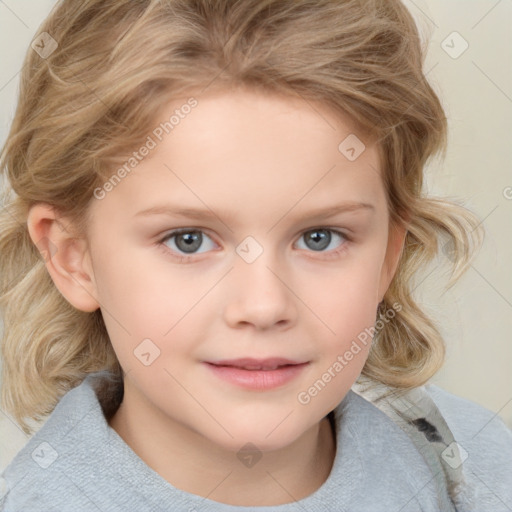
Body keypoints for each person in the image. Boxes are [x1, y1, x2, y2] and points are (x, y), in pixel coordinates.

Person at [0, 0, 510, 510]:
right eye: (188, 240)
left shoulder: (466, 459)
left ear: (387, 257)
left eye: (320, 237)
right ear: (73, 257)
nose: (264, 306)